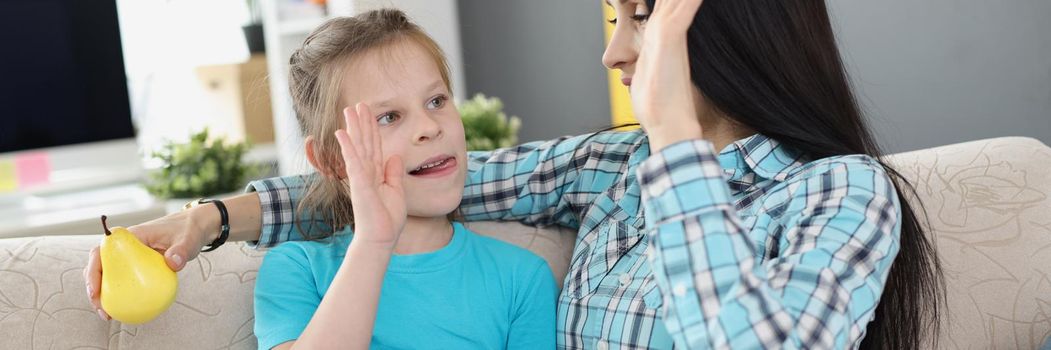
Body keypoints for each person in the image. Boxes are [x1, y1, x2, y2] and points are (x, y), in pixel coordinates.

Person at [85, 0, 943, 348]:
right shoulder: (613, 166)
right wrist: (209, 218)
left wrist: (677, 134)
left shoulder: (841, 192)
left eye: (637, 21)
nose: (613, 52)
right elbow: (404, 180)